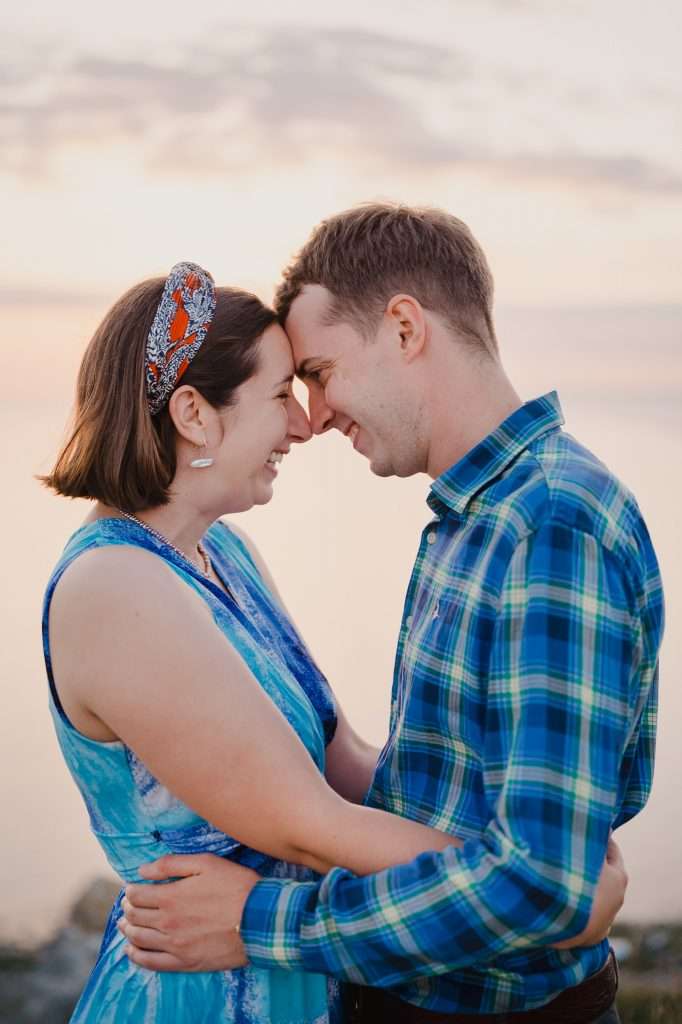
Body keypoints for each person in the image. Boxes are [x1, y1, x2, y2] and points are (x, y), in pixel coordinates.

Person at [122, 208, 663, 1024]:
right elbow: (445, 797)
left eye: (321, 372)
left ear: (405, 329)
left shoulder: (550, 526)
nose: (315, 415)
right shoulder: (478, 519)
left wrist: (260, 921)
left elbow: (541, 886)